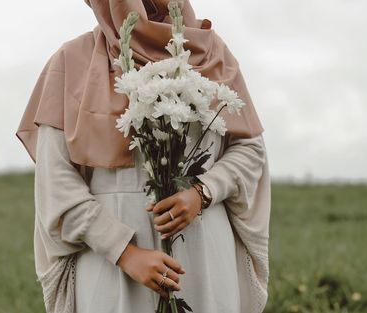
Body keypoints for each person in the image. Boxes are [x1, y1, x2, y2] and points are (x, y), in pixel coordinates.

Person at [15, 1, 271, 313]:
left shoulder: (212, 53)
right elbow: (54, 181)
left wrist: (203, 192)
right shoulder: (72, 61)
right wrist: (125, 252)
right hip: (110, 267)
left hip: (205, 257)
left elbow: (250, 148)